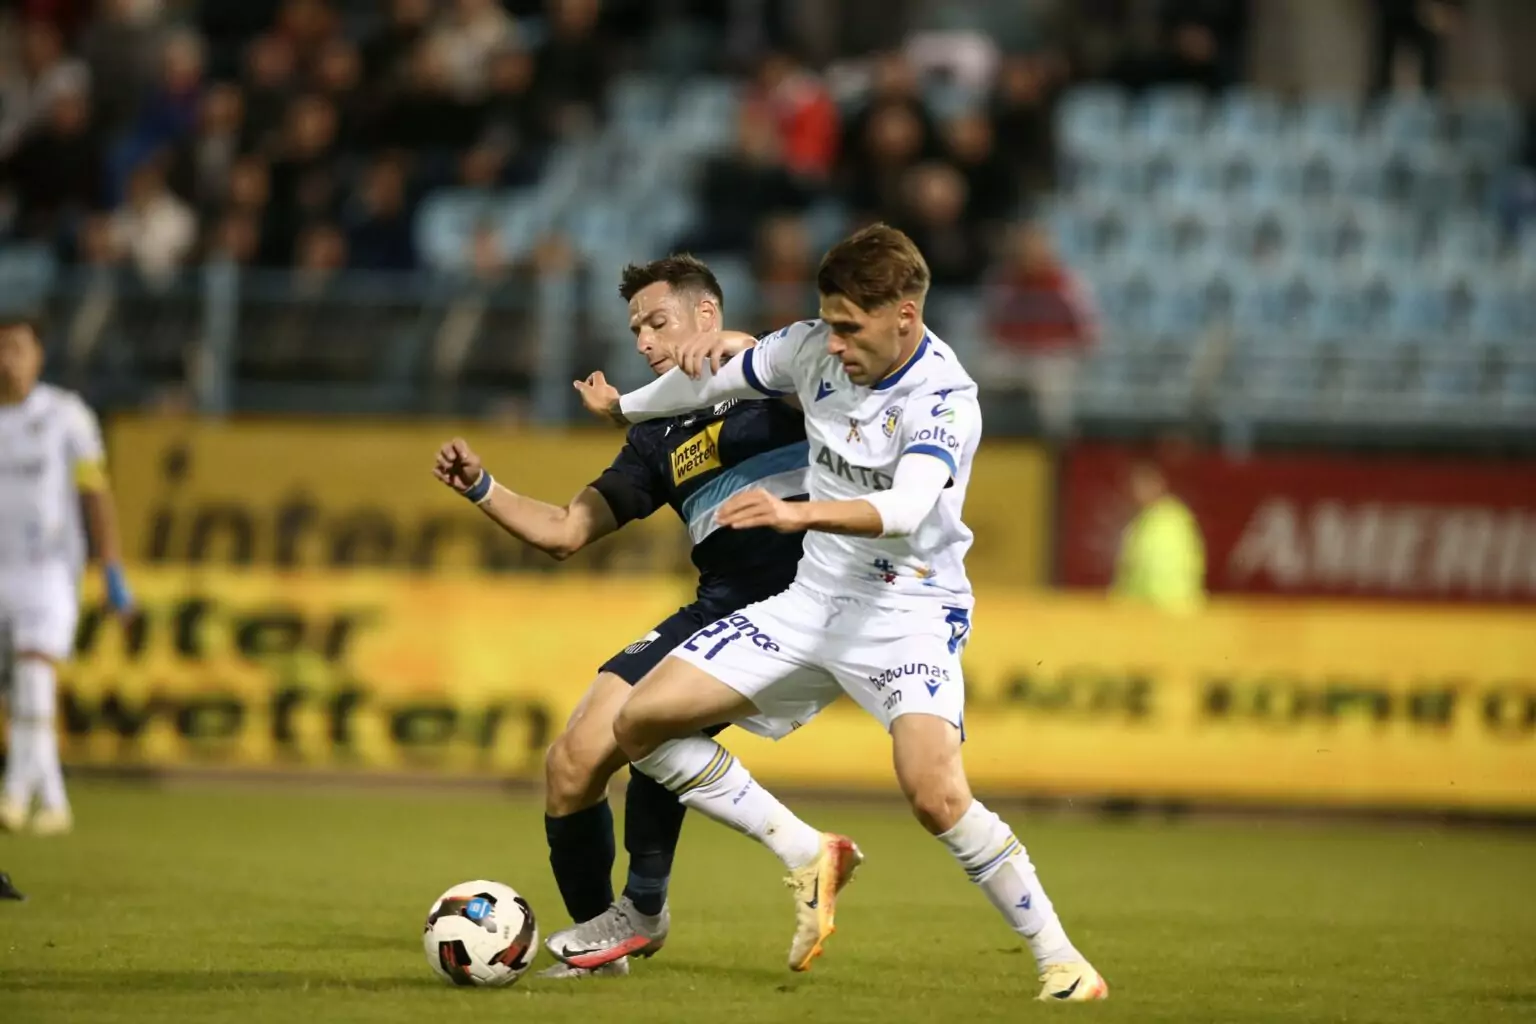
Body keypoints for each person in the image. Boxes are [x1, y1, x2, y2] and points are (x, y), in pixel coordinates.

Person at [565, 224, 1108, 1000]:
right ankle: (808, 852)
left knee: (934, 794)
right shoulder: (810, 346)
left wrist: (797, 515)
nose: (836, 343)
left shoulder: (944, 400)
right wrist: (624, 406)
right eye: (829, 323)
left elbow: (906, 506)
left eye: (851, 328)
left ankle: (1063, 961)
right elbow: (708, 383)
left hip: (908, 611)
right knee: (639, 722)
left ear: (905, 316)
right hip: (813, 601)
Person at [432, 255, 840, 979]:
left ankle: (647, 907)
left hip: (805, 602)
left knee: (654, 721)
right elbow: (565, 530)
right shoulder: (656, 432)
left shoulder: (777, 377)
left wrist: (743, 349)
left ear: (706, 315)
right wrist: (483, 487)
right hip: (719, 606)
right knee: (570, 764)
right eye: (635, 330)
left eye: (657, 322)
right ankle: (605, 947)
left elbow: (835, 387)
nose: (645, 341)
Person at [0, 318, 134, 836]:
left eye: (17, 348)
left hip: (48, 570)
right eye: (0, 349)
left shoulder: (64, 416)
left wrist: (112, 567)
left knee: (34, 673)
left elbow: (94, 494)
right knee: (20, 690)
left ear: (38, 355)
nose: (7, 359)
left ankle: (14, 793)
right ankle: (53, 799)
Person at [1112, 459, 1206, 615]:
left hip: (1169, 611)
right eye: (1135, 486)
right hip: (1154, 612)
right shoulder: (1147, 521)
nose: (1138, 492)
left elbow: (1161, 571)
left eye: (1143, 485)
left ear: (1159, 483)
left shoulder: (1171, 521)